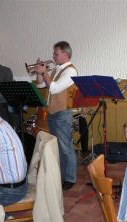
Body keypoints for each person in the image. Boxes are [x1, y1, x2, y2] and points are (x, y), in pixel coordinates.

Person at [36, 41, 78, 190]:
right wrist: (39, 73)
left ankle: (70, 178)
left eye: (56, 53)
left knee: (65, 146)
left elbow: (54, 88)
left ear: (66, 55)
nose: (53, 56)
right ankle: (61, 175)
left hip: (62, 113)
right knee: (58, 146)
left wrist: (45, 73)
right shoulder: (57, 69)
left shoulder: (70, 71)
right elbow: (40, 85)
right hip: (53, 112)